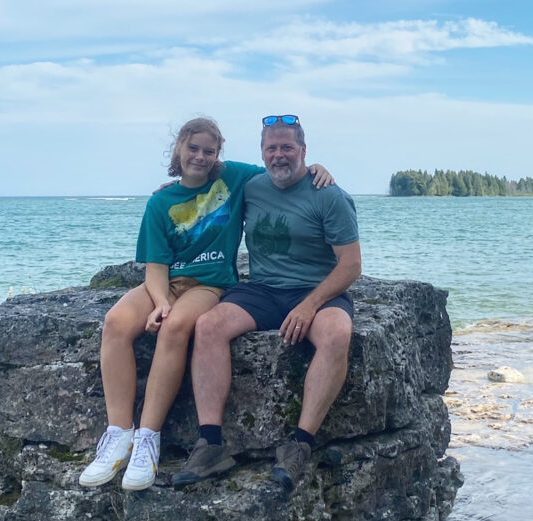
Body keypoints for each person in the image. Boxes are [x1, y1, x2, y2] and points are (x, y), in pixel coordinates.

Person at [79, 116, 334, 491]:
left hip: (209, 284)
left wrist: (316, 168)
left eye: (208, 151)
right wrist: (160, 302)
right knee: (116, 321)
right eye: (192, 148)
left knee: (178, 325)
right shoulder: (160, 202)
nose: (199, 156)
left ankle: (149, 438)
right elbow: (155, 270)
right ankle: (119, 434)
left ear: (218, 155)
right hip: (165, 283)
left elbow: (281, 167)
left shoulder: (232, 179)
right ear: (179, 149)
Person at [172, 114, 362, 493]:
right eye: (271, 148)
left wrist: (310, 305)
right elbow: (206, 169)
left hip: (317, 291)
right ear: (261, 153)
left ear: (304, 151)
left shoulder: (329, 195)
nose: (279, 155)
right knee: (208, 326)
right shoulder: (252, 186)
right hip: (262, 289)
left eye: (287, 147)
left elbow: (352, 265)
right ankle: (211, 444)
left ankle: (300, 445)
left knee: (338, 333)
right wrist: (177, 190)